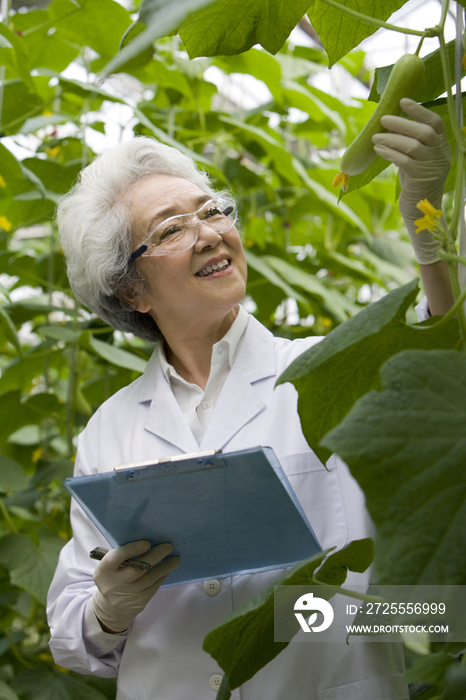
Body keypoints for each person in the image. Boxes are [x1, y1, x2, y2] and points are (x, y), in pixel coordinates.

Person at [47, 98, 453, 700]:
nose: (210, 233)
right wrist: (108, 608)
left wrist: (429, 216)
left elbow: (448, 349)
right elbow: (74, 643)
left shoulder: (335, 365)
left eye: (212, 211)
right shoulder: (109, 432)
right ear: (132, 291)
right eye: (171, 229)